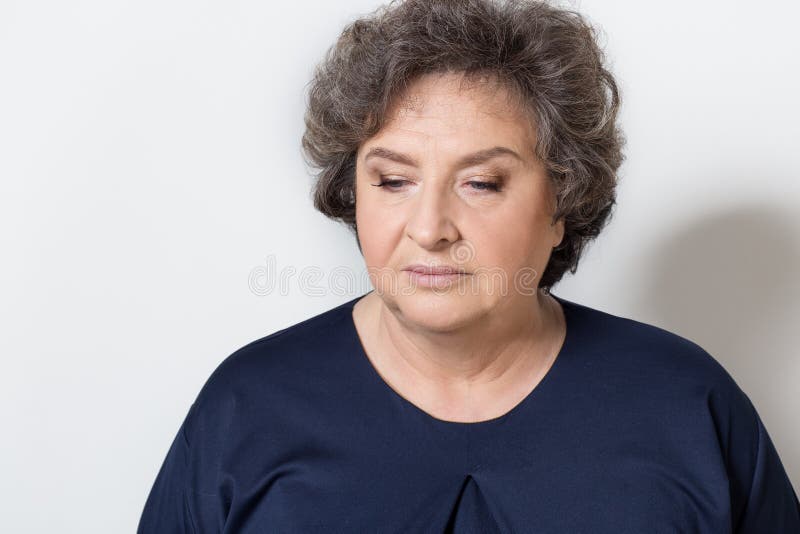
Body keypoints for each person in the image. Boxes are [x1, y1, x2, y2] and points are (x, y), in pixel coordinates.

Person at [137, 0, 800, 531]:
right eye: (393, 181)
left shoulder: (686, 406)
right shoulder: (250, 405)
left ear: (564, 200)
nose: (428, 229)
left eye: (481, 183)